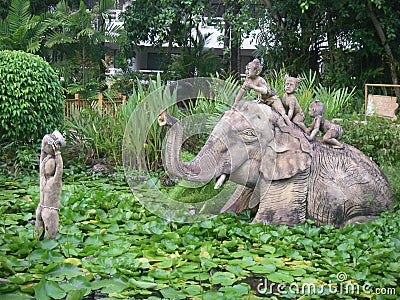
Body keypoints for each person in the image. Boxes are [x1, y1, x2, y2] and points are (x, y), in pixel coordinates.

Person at [234, 59, 291, 126]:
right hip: (261, 100)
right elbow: (242, 90)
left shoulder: (260, 80)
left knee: (282, 114)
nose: (246, 72)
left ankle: (290, 126)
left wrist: (253, 87)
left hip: (272, 99)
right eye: (246, 69)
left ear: (257, 72)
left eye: (249, 69)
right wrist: (236, 102)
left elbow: (265, 91)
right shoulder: (248, 80)